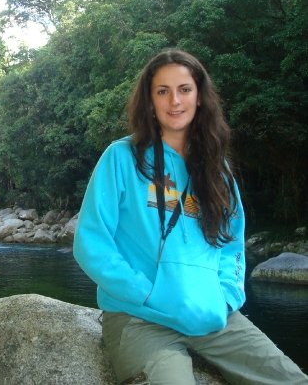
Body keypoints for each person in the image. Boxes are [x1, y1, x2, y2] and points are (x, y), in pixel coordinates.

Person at [73, 49, 308, 385]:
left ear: (199, 97)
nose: (175, 101)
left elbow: (231, 243)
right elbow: (91, 242)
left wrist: (226, 296)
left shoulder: (217, 169)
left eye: (184, 89)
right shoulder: (121, 157)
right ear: (149, 101)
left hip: (212, 317)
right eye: (162, 91)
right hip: (140, 317)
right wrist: (145, 293)